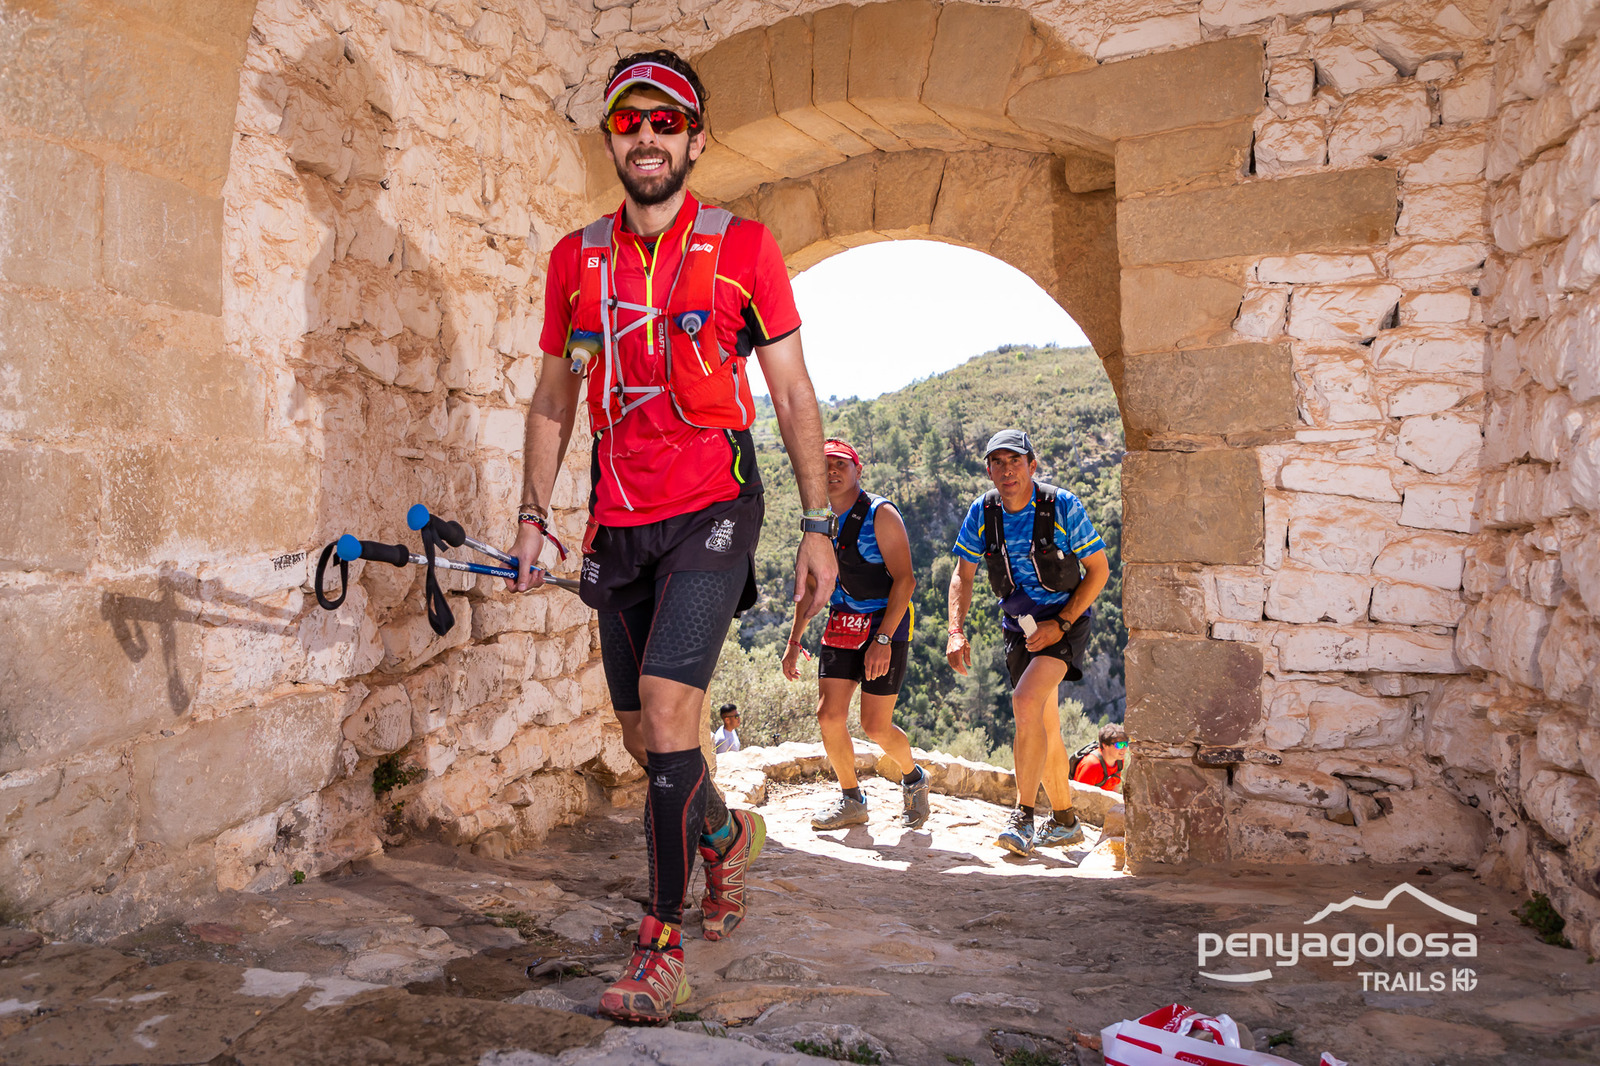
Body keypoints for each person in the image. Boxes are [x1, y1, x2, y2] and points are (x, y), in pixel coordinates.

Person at [506, 50, 837, 1024]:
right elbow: (556, 396)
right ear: (611, 139)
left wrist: (818, 523)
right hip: (618, 518)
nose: (645, 136)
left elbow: (790, 392)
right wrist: (533, 513)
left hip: (715, 505)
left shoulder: (745, 248)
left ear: (696, 140)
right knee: (642, 737)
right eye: (627, 121)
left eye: (665, 121)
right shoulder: (576, 263)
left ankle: (660, 948)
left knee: (663, 711)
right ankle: (725, 837)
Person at [946, 429, 1111, 857]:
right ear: (988, 470)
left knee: (1024, 701)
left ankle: (1022, 818)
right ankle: (1065, 820)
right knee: (1045, 722)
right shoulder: (983, 512)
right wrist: (955, 630)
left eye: (1015, 461)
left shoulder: (1062, 506)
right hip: (1019, 626)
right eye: (997, 463)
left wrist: (1062, 622)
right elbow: (963, 574)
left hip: (1065, 620)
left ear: (1032, 466)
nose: (1007, 471)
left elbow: (1099, 570)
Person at [782, 438, 930, 831]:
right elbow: (811, 587)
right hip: (843, 621)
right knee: (828, 715)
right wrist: (794, 641)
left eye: (841, 464)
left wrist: (883, 640)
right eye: (825, 464)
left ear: (858, 471)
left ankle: (914, 777)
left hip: (886, 623)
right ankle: (852, 799)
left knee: (875, 725)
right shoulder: (818, 522)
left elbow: (905, 580)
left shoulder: (881, 515)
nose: (832, 471)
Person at [1070, 722, 1127, 793]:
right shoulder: (1091, 765)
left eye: (1125, 744)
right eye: (1119, 745)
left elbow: (1114, 785)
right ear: (1105, 745)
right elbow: (1080, 795)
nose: (1124, 749)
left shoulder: (1118, 760)